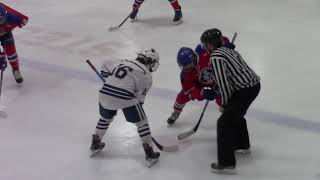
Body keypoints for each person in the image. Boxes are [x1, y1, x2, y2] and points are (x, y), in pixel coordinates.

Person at [200, 28, 260, 173]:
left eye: (205, 44)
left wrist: (225, 104)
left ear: (209, 45)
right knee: (236, 115)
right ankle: (242, 145)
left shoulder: (215, 57)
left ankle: (227, 164)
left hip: (244, 90)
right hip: (254, 85)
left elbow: (224, 84)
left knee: (224, 123)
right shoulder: (229, 51)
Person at [90, 48, 161, 165]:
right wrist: (137, 114)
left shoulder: (123, 61)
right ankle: (149, 153)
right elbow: (139, 100)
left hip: (104, 92)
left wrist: (109, 81)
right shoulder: (146, 75)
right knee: (142, 122)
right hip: (125, 97)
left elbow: (105, 63)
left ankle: (95, 142)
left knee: (105, 118)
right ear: (150, 61)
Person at [167, 38, 236, 125]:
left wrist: (226, 47)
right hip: (199, 84)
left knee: (223, 97)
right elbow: (189, 91)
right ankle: (176, 112)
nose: (186, 69)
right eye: (183, 67)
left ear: (194, 59)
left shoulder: (203, 50)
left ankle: (230, 114)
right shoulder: (185, 75)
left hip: (216, 80)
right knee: (182, 96)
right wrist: (201, 93)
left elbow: (216, 37)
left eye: (188, 66)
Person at [0, 3, 28, 84]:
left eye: (2, 20)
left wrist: (19, 21)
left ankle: (16, 69)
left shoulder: (9, 17)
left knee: (11, 50)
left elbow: (17, 19)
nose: (2, 22)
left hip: (6, 32)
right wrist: (1, 57)